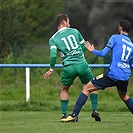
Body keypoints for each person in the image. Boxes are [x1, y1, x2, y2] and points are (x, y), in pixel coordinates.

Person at [65, 19, 133, 122]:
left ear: (120, 28)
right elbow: (130, 64)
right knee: (123, 95)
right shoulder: (131, 44)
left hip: (113, 74)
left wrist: (92, 50)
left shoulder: (115, 37)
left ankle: (74, 115)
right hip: (125, 76)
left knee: (86, 88)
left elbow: (103, 53)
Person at [43, 14, 101, 122]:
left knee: (64, 89)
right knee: (92, 86)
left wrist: (51, 69)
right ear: (64, 22)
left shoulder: (53, 38)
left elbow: (53, 55)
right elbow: (84, 46)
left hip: (69, 67)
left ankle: (64, 114)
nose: (69, 24)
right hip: (82, 64)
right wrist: (77, 54)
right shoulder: (75, 31)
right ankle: (94, 110)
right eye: (68, 22)